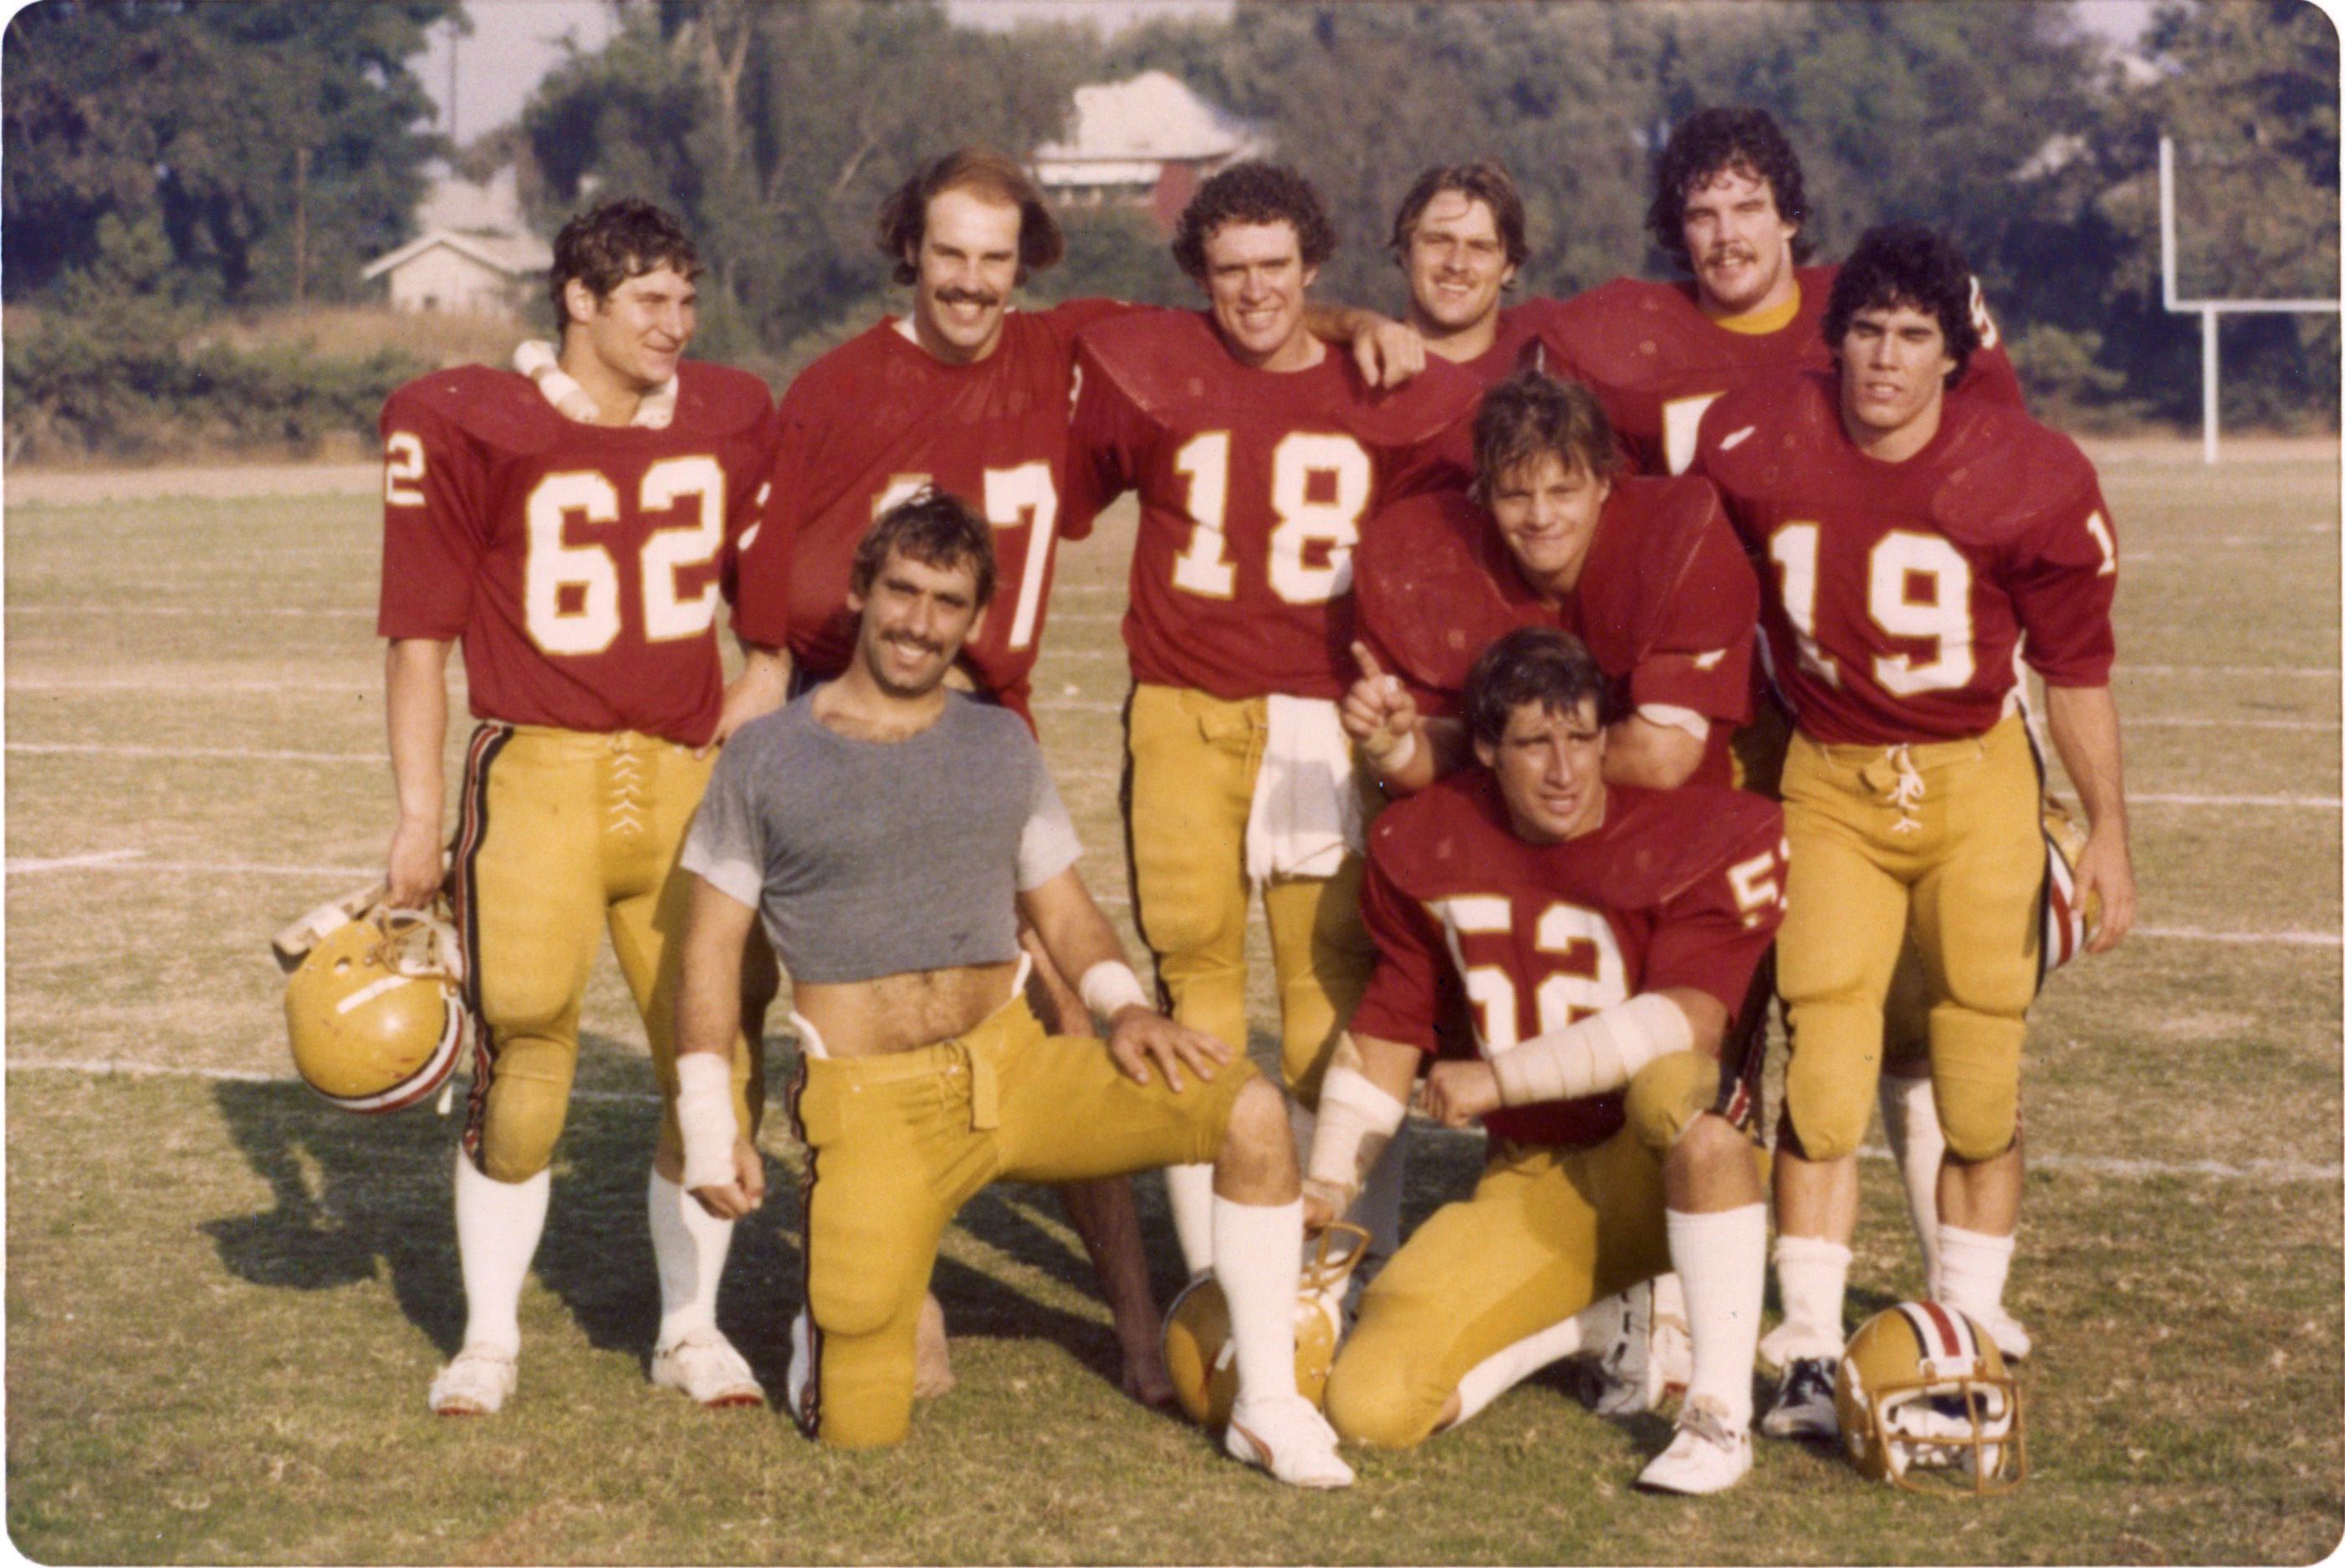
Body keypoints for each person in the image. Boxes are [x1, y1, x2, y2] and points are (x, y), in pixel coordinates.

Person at [669, 493, 1353, 1487]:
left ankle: (1267, 1404)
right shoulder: (769, 753)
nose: (918, 621)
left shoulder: (997, 742)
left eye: (947, 601)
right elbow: (708, 950)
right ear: (860, 592)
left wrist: (1122, 1006)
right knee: (863, 1427)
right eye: (900, 591)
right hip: (873, 1108)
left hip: (1013, 1069)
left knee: (1248, 1113)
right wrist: (702, 1113)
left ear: (974, 619)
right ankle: (838, 1321)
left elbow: (1066, 912)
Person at [733, 146, 1167, 1405]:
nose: (972, 282)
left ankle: (1137, 1324)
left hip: (1001, 723)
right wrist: (766, 698)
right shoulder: (836, 386)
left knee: (1071, 1014)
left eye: (996, 256)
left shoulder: (1064, 353)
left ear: (1023, 261)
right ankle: (884, 1277)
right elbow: (784, 600)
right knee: (858, 1021)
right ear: (908, 252)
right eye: (949, 253)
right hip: (861, 720)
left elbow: (1226, 339)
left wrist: (1355, 319)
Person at [1693, 223, 2135, 1438]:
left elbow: (2075, 666)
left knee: (1981, 1075)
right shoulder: (1751, 439)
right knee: (1826, 1068)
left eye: (1914, 337)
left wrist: (2108, 831)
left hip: (1973, 772)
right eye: (1868, 332)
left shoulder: (2030, 470)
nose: (1886, 359)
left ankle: (1967, 1331)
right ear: (1833, 342)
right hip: (1831, 773)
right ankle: (1801, 1347)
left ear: (1955, 354)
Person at [376, 198, 783, 1416]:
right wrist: (414, 816)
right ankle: (490, 1333)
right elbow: (419, 638)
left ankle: (691, 1328)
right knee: (525, 1049)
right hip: (536, 773)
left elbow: (775, 580)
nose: (679, 322)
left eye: (687, 297)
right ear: (580, 300)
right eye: (650, 299)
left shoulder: (729, 412)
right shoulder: (465, 419)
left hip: (681, 779)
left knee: (713, 1058)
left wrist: (764, 666)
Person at [1066, 161, 1480, 1278]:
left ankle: (1340, 1260)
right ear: (1201, 273)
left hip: (1318, 716)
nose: (1253, 290)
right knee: (1193, 984)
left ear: (1313, 266)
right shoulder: (1152, 365)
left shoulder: (1384, 385)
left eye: (1276, 268)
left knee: (1327, 995)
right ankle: (1217, 1277)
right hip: (1182, 708)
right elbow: (1065, 487)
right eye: (1229, 268)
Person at [1303, 626, 1782, 1494]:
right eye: (1532, 742)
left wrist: (1499, 1077)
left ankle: (1716, 1411)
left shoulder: (1701, 830)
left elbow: (1688, 1022)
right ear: (1485, 748)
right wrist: (1328, 1184)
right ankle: (1594, 1326)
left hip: (1655, 1166)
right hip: (1533, 1178)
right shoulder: (1425, 841)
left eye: (1580, 738)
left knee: (1682, 1097)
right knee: (1370, 1406)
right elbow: (1389, 1025)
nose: (1562, 770)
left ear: (1606, 736)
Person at [1345, 367, 1757, 794]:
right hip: (1518, 830)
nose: (1541, 518)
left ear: (1603, 483)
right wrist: (1392, 745)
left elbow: (1657, 760)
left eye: (1563, 492)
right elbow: (1419, 769)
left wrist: (1508, 755)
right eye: (1516, 495)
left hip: (1668, 826)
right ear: (1484, 496)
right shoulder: (1436, 564)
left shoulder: (1678, 542)